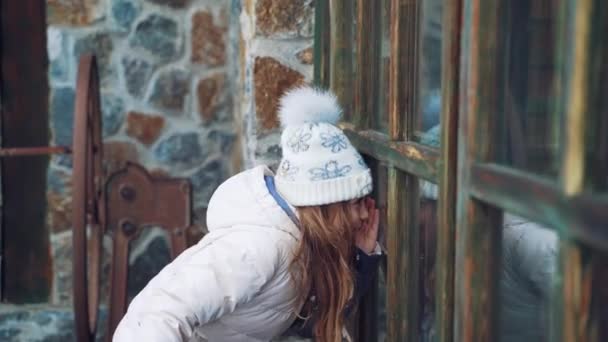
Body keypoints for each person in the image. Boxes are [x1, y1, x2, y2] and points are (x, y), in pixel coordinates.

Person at [113, 87, 382, 342]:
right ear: (325, 205)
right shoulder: (260, 247)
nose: (363, 214)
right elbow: (155, 312)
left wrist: (360, 258)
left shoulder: (303, 240)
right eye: (356, 203)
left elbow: (313, 321)